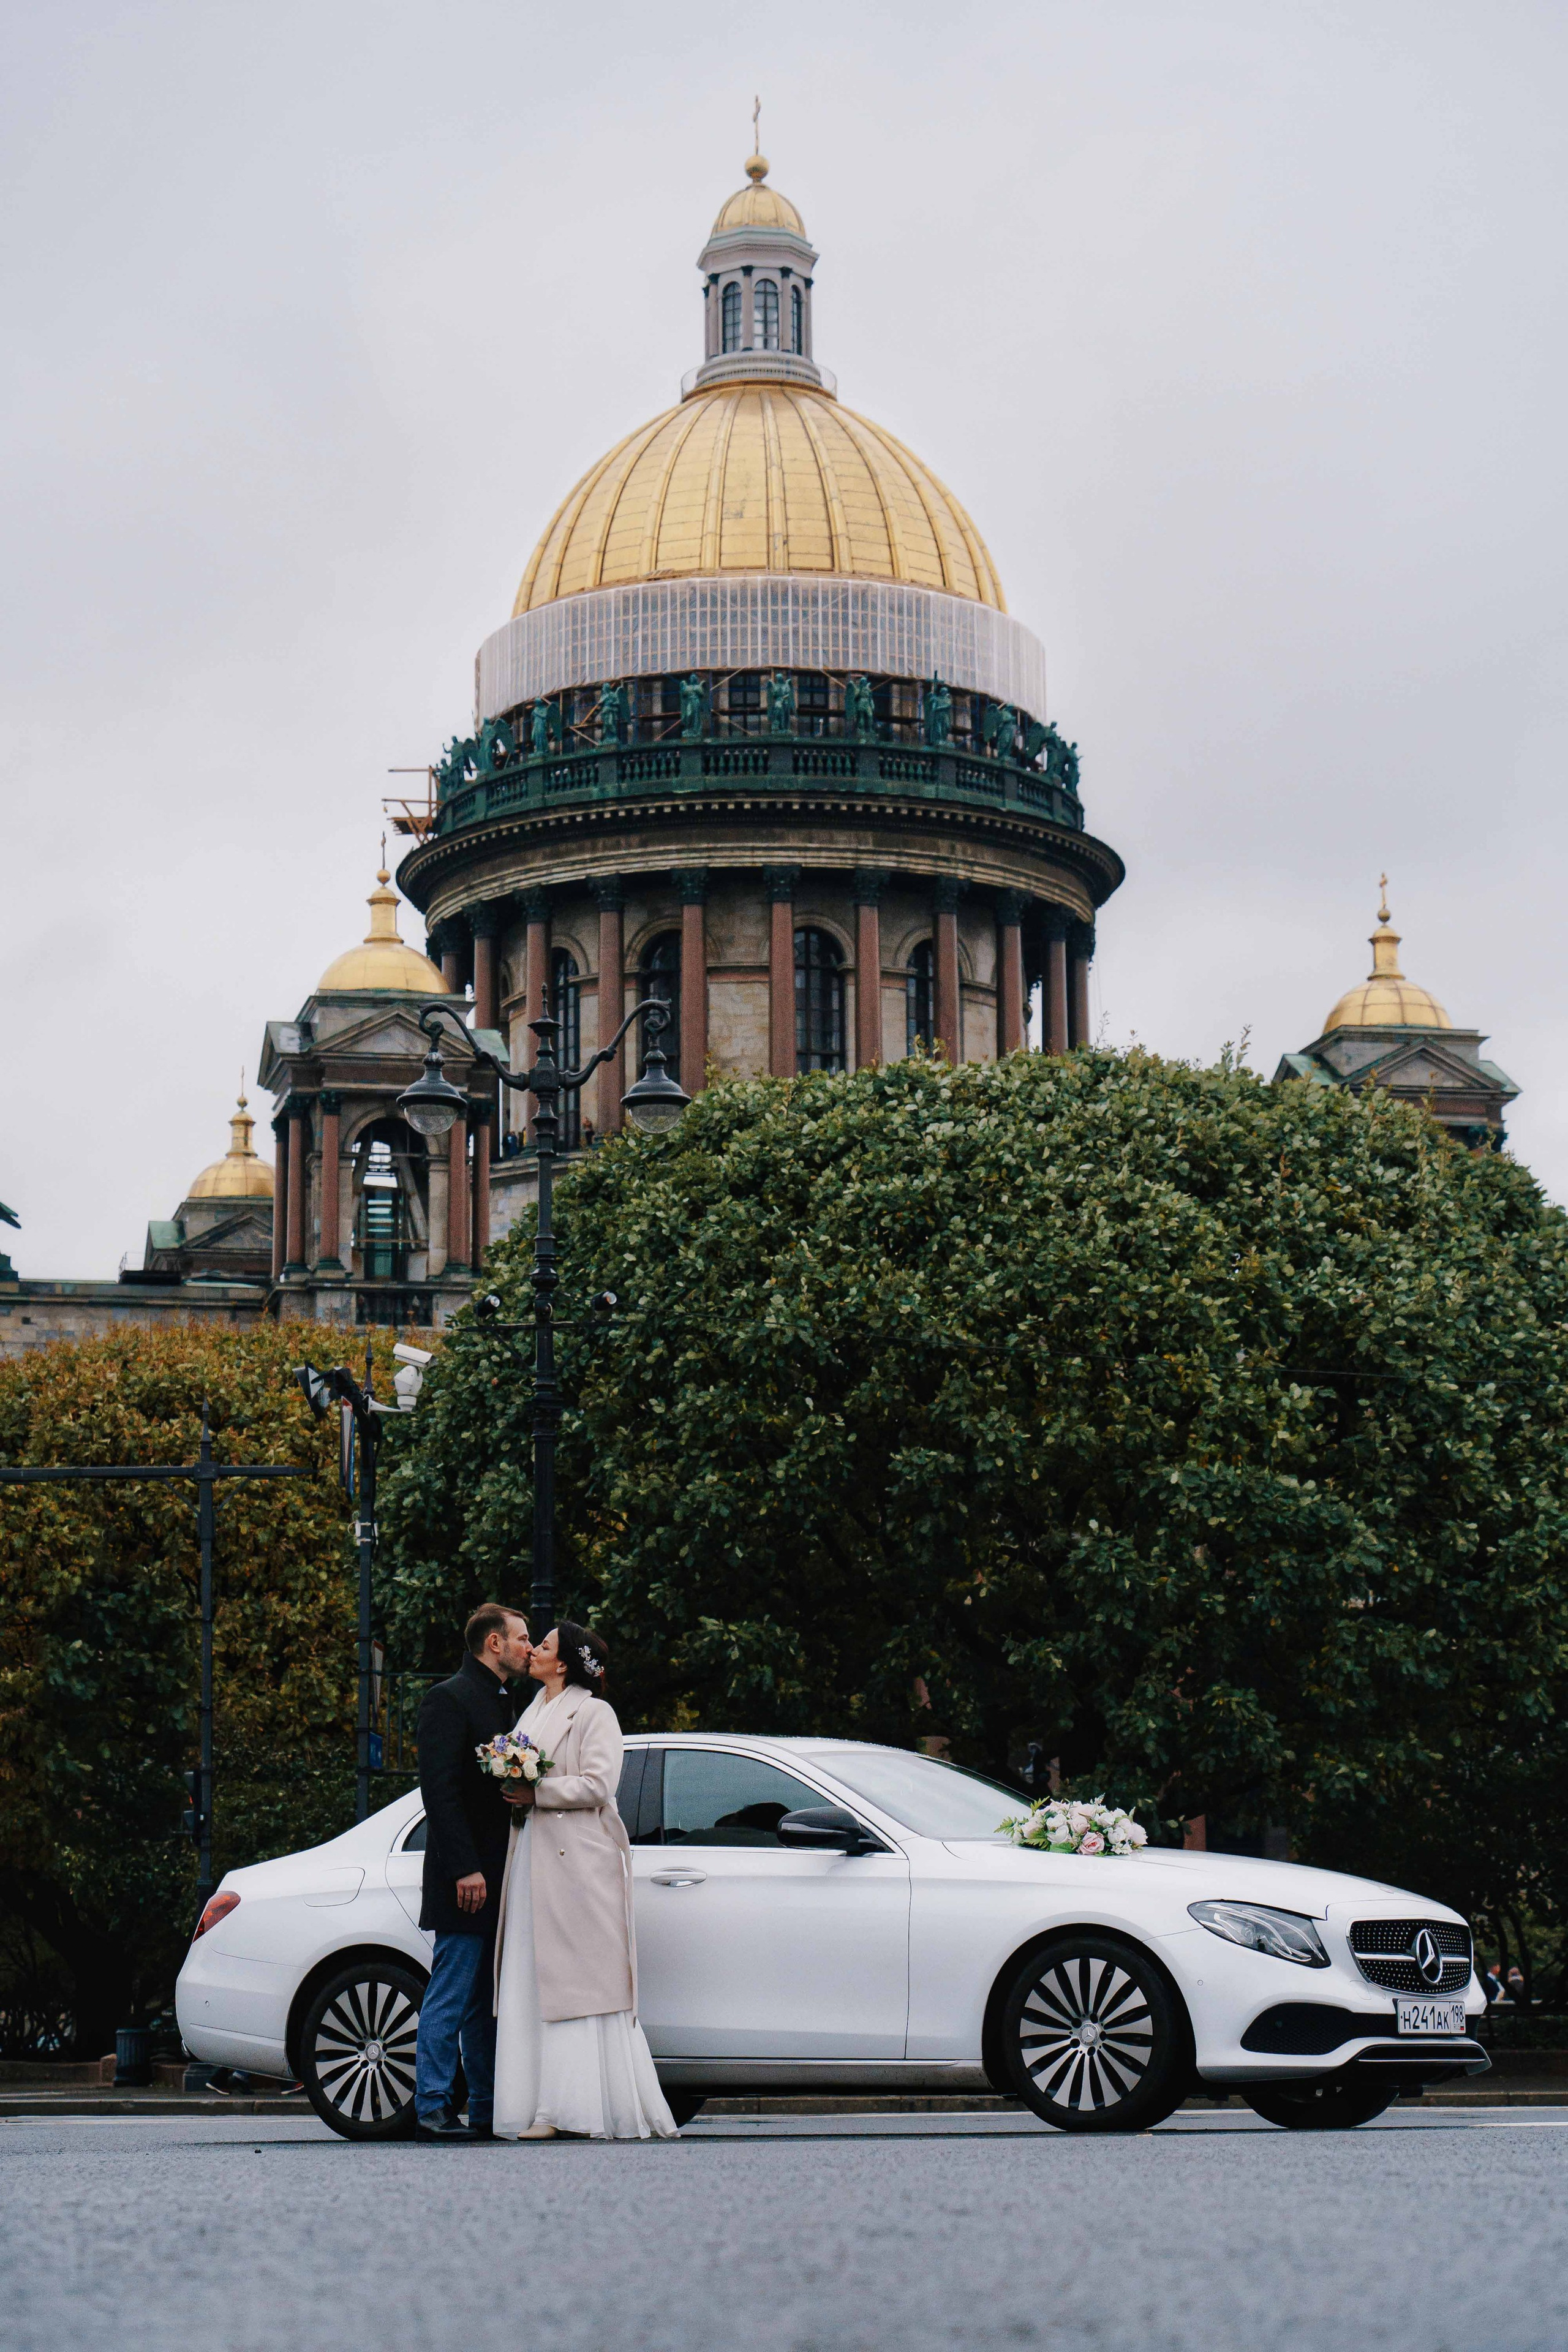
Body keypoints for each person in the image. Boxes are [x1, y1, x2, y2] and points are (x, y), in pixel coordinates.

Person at [491, 1622, 677, 2141]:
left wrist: (537, 1792)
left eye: (544, 1646)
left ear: (565, 1663)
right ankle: (533, 2102)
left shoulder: (594, 1712)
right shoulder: (532, 1710)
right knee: (534, 1974)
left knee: (577, 1982)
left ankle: (567, 2107)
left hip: (578, 1863)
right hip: (533, 1856)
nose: (533, 1652)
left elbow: (600, 1784)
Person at [412, 1602, 532, 2140]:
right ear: (494, 1645)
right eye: (522, 1639)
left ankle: (483, 2108)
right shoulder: (449, 1698)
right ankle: (433, 2106)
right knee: (453, 1991)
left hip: (498, 1874)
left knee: (485, 2000)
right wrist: (464, 1869)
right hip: (465, 1879)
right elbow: (440, 1792)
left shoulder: (507, 1704)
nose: (529, 1648)